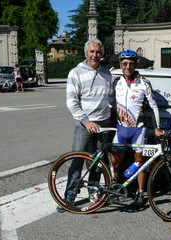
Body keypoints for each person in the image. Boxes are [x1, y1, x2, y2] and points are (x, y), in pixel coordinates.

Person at [56, 39, 114, 212]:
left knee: (97, 162)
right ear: (86, 53)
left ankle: (94, 193)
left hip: (103, 124)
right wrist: (86, 121)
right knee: (77, 161)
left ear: (102, 54)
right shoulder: (75, 73)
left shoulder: (107, 74)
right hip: (84, 125)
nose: (95, 55)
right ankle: (70, 196)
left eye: (98, 52)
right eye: (92, 52)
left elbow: (111, 99)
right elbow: (72, 102)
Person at [111, 49, 163, 206]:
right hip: (121, 129)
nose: (128, 66)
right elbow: (109, 104)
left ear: (136, 64)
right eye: (124, 63)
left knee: (139, 162)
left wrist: (157, 128)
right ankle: (114, 188)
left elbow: (154, 107)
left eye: (131, 63)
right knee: (115, 163)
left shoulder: (144, 83)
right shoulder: (115, 82)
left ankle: (140, 193)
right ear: (120, 64)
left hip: (138, 130)